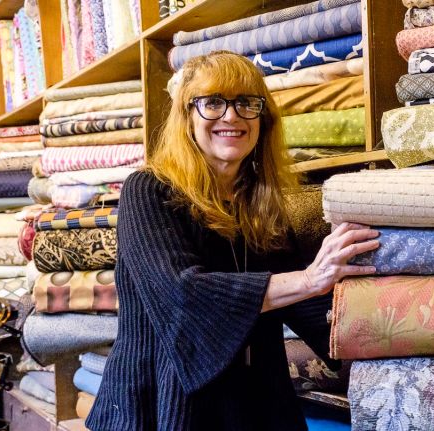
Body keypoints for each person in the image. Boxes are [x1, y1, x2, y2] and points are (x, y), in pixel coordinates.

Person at [85, 51, 379, 430]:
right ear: (187, 116)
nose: (231, 116)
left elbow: (307, 306)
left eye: (246, 103)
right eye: (213, 103)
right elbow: (183, 295)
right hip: (162, 404)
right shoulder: (149, 190)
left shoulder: (259, 203)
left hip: (253, 400)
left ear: (263, 120)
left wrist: (394, 325)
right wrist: (310, 278)